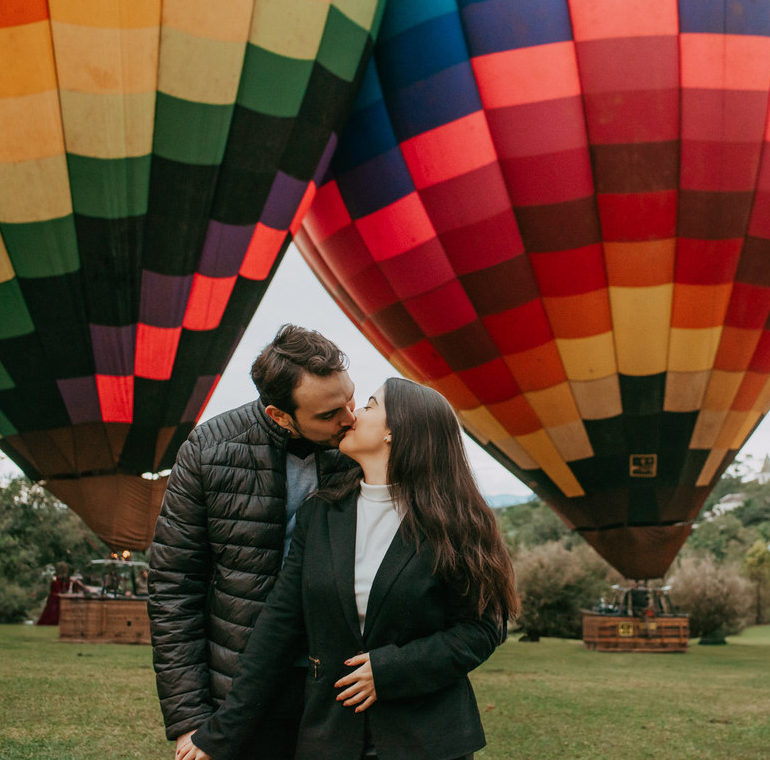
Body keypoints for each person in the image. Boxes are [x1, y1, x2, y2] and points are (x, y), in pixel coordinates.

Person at [180, 378, 519, 760]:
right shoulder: (320, 514)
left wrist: (391, 669)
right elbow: (277, 629)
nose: (353, 414)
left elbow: (481, 629)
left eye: (371, 405)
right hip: (329, 737)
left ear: (395, 431)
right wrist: (220, 734)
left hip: (426, 740)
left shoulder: (458, 523)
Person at [148, 326, 359, 760]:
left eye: (350, 400)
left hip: (340, 685)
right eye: (328, 414)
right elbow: (174, 587)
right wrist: (189, 718)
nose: (349, 419)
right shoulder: (209, 451)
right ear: (279, 415)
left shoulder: (362, 448)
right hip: (242, 684)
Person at [35, 561, 86, 626]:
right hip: (55, 602)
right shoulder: (56, 581)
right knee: (51, 616)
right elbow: (55, 592)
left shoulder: (69, 581)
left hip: (61, 601)